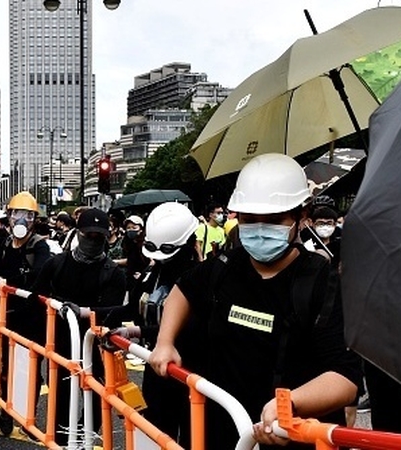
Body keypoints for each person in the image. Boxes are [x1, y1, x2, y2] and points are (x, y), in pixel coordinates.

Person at [149, 154, 361, 449]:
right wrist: (165, 341)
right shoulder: (224, 265)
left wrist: (288, 405)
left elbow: (345, 379)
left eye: (274, 220)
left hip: (289, 437)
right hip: (220, 432)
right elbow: (182, 291)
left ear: (302, 215)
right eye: (249, 220)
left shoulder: (323, 283)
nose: (260, 229)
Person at [109, 202, 202, 446]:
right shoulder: (154, 273)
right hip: (155, 368)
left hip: (189, 372)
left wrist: (136, 331)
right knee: (156, 432)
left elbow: (193, 328)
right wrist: (88, 314)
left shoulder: (200, 279)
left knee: (193, 436)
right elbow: (131, 308)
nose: (161, 259)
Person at [32, 208, 126, 445]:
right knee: (61, 392)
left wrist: (83, 312)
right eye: (88, 235)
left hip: (96, 345)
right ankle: (60, 440)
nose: (93, 241)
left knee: (95, 393)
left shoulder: (112, 272)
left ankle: (87, 438)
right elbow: (37, 299)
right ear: (78, 233)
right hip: (61, 343)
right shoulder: (56, 264)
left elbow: (116, 313)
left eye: (99, 237)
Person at [0, 191, 52, 436]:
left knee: (31, 367)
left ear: (35, 219)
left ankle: (29, 417)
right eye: (16, 214)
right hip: (9, 314)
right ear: (9, 217)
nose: (20, 220)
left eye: (27, 215)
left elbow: (39, 277)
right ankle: (7, 411)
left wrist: (8, 282)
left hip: (33, 317)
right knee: (5, 365)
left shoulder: (39, 245)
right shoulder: (6, 243)